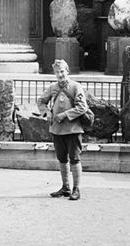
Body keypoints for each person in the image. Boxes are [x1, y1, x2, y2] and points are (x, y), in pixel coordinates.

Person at [38, 59, 91, 200]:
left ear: (67, 71)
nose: (60, 74)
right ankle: (65, 187)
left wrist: (65, 114)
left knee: (74, 158)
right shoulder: (52, 87)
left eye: (62, 71)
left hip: (73, 129)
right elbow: (41, 101)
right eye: (57, 72)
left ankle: (76, 189)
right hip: (57, 129)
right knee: (62, 158)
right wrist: (47, 112)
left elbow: (82, 107)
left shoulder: (75, 86)